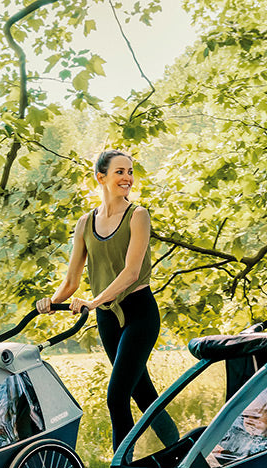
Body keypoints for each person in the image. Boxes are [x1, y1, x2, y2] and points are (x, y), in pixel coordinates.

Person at [37, 149, 178, 452]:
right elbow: (72, 280)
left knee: (116, 397)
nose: (127, 178)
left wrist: (92, 302)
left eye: (130, 171)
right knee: (142, 394)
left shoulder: (137, 216)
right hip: (108, 320)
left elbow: (131, 272)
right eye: (120, 172)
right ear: (100, 177)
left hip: (140, 314)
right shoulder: (85, 223)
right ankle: (183, 456)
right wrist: (52, 301)